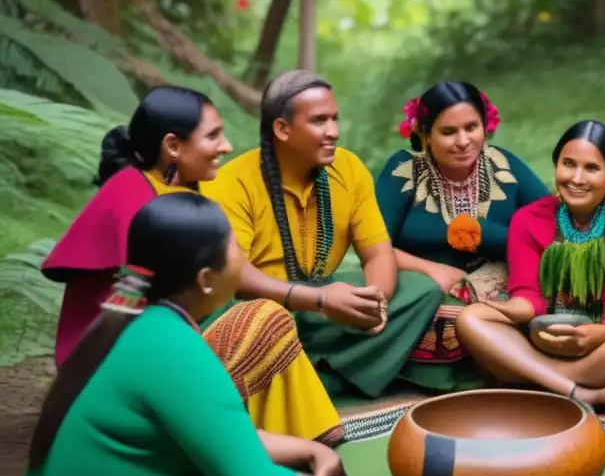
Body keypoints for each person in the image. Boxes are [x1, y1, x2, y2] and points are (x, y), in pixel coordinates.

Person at [14, 192, 399, 476]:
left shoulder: (133, 316)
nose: (244, 255)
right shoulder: (171, 348)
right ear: (205, 279)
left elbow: (221, 439)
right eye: (235, 247)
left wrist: (311, 449)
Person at [40, 86, 344, 446]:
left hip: (157, 347)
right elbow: (132, 315)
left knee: (261, 316)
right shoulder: (131, 201)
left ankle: (301, 432)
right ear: (172, 146)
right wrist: (316, 299)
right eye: (213, 135)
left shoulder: (175, 186)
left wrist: (312, 298)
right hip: (118, 376)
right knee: (263, 319)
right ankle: (223, 438)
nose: (227, 146)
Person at [202, 70, 443, 401]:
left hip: (323, 300)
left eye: (334, 119)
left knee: (421, 289)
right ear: (282, 129)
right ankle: (313, 382)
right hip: (264, 306)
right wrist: (321, 300)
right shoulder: (233, 183)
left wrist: (375, 303)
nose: (333, 132)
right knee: (258, 317)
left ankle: (307, 379)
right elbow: (235, 276)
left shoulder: (348, 168)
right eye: (319, 121)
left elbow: (377, 253)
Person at [455, 120, 605, 413]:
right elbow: (530, 297)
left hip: (601, 345)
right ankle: (581, 392)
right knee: (471, 319)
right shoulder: (528, 220)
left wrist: (603, 333)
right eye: (568, 164)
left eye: (592, 168)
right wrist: (504, 308)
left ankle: (540, 382)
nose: (577, 178)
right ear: (556, 165)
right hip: (539, 337)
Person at [373, 80, 550, 391]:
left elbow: (548, 231)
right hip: (426, 288)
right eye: (448, 132)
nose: (463, 141)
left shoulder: (504, 166)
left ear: (486, 125)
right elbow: (374, 246)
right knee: (435, 308)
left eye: (472, 127)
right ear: (425, 134)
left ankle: (536, 372)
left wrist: (485, 234)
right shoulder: (403, 171)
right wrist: (433, 270)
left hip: (500, 284)